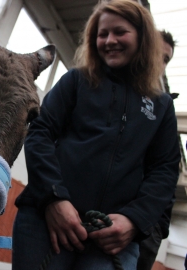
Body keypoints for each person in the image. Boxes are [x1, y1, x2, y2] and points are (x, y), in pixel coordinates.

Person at [12, 0, 181, 269]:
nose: (109, 40)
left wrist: (134, 220)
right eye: (102, 34)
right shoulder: (76, 80)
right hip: (47, 223)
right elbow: (40, 133)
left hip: (113, 239)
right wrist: (53, 198)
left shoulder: (161, 105)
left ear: (143, 37)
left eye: (120, 32)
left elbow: (164, 170)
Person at [137, 29, 178, 270]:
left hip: (143, 233)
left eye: (166, 59)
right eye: (155, 53)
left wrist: (156, 229)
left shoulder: (165, 112)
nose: (159, 63)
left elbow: (167, 173)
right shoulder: (100, 88)